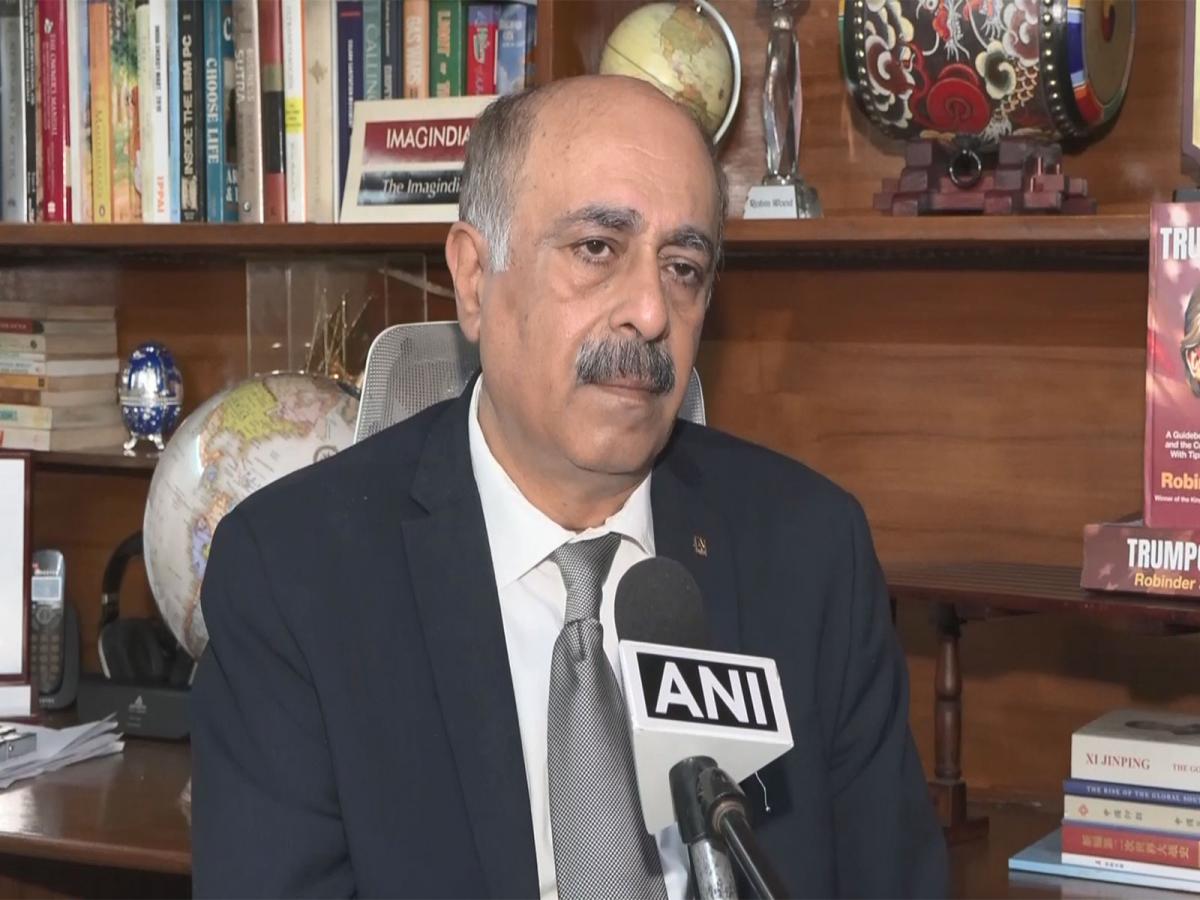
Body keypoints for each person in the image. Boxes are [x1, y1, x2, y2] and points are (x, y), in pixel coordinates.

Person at [191, 75, 948, 898]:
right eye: (597, 249)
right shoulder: (296, 574)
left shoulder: (810, 552)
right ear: (474, 278)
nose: (650, 312)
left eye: (684, 267)